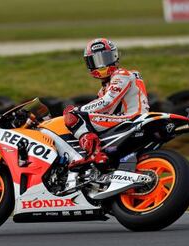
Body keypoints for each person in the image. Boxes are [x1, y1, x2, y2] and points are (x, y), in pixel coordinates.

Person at [63, 38, 149, 168]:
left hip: (132, 118)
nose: (102, 65)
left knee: (73, 117)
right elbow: (106, 108)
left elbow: (107, 102)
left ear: (114, 56)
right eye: (96, 61)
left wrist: (77, 110)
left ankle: (94, 154)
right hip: (129, 118)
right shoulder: (105, 88)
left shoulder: (122, 74)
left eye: (105, 58)